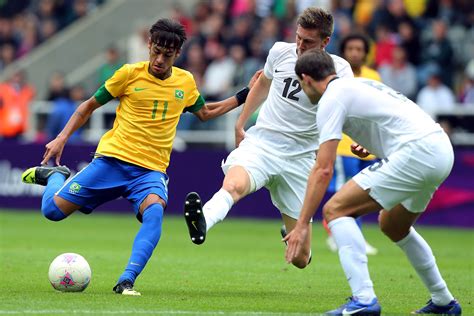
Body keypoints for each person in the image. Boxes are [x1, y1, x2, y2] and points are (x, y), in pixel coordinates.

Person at [21, 18, 259, 296]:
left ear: (177, 54)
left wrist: (245, 95)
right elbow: (88, 106)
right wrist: (62, 137)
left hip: (149, 172)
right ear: (149, 45)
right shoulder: (128, 74)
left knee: (155, 212)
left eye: (167, 55)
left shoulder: (185, 81)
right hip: (111, 161)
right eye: (156, 52)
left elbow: (206, 112)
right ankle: (56, 177)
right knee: (52, 212)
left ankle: (126, 280)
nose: (159, 59)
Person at [285, 49, 461, 315]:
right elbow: (394, 117)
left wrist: (300, 226)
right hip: (440, 148)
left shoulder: (331, 99)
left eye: (300, 84)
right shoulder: (359, 84)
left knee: (336, 210)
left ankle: (364, 300)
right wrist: (374, 144)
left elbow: (323, 169)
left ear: (306, 78)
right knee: (393, 225)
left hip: (417, 152)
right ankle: (443, 301)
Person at [183, 7, 353, 269]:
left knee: (300, 259)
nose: (300, 45)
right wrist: (241, 123)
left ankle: (292, 239)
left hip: (300, 159)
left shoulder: (340, 70)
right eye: (298, 37)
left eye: (308, 41)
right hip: (262, 145)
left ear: (325, 42)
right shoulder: (280, 52)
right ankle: (203, 219)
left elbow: (350, 110)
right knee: (233, 186)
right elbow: (263, 84)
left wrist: (360, 140)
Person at [323, 33, 381, 255]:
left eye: (359, 49)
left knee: (363, 192)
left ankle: (345, 235)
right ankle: (349, 237)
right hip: (343, 145)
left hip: (366, 146)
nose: (355, 53)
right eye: (350, 49)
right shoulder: (336, 75)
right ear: (344, 52)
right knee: (344, 192)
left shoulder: (373, 76)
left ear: (366, 53)